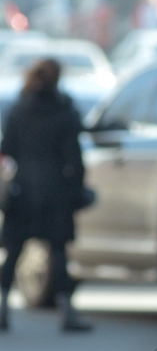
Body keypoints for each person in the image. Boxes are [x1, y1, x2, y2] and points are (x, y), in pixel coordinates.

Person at [0, 59, 92, 332]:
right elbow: (74, 157)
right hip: (56, 190)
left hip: (24, 188)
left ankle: (3, 308)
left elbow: (8, 147)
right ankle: (66, 313)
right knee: (59, 251)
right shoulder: (64, 110)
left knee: (13, 251)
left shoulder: (19, 109)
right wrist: (76, 189)